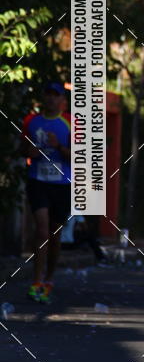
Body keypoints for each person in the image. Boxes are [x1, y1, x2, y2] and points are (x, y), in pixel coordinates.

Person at [21, 82, 71, 304]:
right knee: (41, 230)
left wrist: (59, 147)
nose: (50, 99)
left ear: (63, 101)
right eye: (47, 94)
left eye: (55, 95)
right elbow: (22, 148)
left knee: (54, 234)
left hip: (62, 183)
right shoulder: (31, 121)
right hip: (38, 180)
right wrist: (28, 151)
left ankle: (49, 279)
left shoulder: (72, 123)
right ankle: (36, 281)